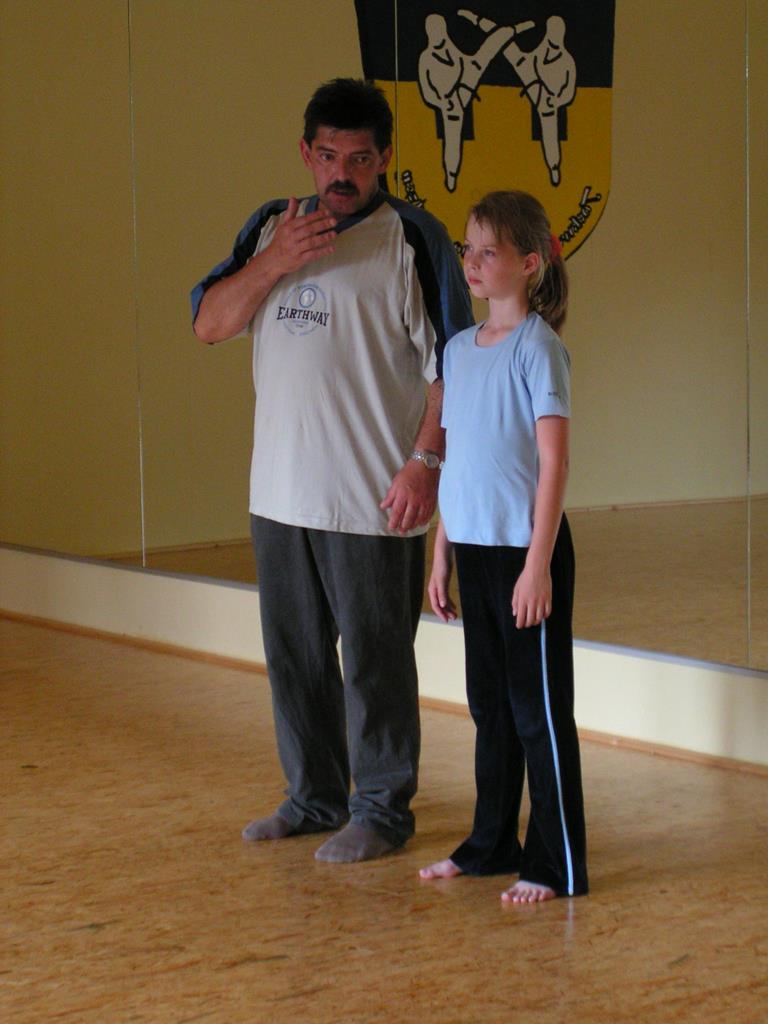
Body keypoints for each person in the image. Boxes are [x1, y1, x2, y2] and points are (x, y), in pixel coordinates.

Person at [191, 79, 472, 863]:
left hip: (373, 498)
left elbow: (456, 368)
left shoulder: (412, 238)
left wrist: (426, 463)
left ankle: (381, 811)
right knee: (296, 661)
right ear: (306, 153)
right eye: (327, 156)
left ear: (385, 159)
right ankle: (313, 799)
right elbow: (210, 323)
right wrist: (275, 260)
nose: (341, 173)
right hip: (279, 495)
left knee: (375, 664)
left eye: (359, 159)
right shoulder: (269, 228)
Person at [419, 191, 588, 901]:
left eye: (489, 251)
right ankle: (490, 844)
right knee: (489, 708)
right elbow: (457, 457)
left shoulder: (538, 349)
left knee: (536, 712)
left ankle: (556, 863)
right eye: (469, 249)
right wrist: (441, 554)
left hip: (526, 556)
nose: (473, 262)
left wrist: (537, 566)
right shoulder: (459, 351)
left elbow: (554, 463)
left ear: (529, 262)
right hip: (476, 550)